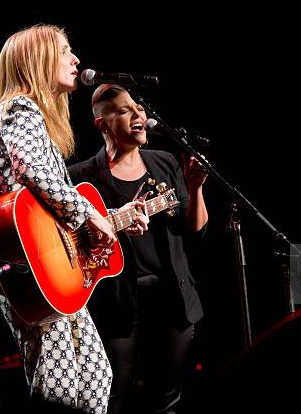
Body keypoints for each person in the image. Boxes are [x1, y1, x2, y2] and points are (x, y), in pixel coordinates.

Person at [0, 24, 139, 412]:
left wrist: (111, 218)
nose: (76, 59)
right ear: (37, 59)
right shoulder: (20, 108)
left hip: (44, 263)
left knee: (96, 376)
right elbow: (36, 175)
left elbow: (46, 206)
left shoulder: (31, 117)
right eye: (65, 51)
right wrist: (90, 214)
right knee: (59, 383)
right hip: (23, 266)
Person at [68, 84, 208, 414]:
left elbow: (195, 228)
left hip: (172, 301)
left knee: (167, 398)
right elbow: (69, 248)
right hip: (115, 306)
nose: (138, 115)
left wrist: (195, 188)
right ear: (102, 124)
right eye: (124, 110)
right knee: (110, 398)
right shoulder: (80, 179)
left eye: (139, 108)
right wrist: (113, 229)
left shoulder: (165, 163)